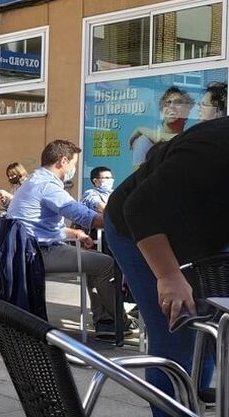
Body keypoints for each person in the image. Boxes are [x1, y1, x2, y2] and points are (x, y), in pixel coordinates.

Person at [105, 116, 229, 416]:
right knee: (178, 328)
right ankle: (174, 410)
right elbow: (141, 207)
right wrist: (169, 275)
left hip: (205, 232)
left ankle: (198, 398)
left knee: (214, 323)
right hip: (139, 228)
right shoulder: (214, 147)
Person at [6, 140, 129, 339]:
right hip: (38, 253)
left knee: (92, 262)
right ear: (63, 161)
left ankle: (105, 321)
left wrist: (74, 233)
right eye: (73, 163)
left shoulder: (33, 181)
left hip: (24, 250)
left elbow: (38, 225)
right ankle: (119, 322)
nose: (73, 168)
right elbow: (84, 216)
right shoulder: (48, 185)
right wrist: (124, 221)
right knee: (105, 264)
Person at [129, 86, 194, 168]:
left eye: (178, 102)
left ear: (187, 111)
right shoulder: (145, 141)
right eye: (167, 103)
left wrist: (141, 129)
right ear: (162, 111)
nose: (171, 106)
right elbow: (138, 178)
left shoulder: (191, 138)